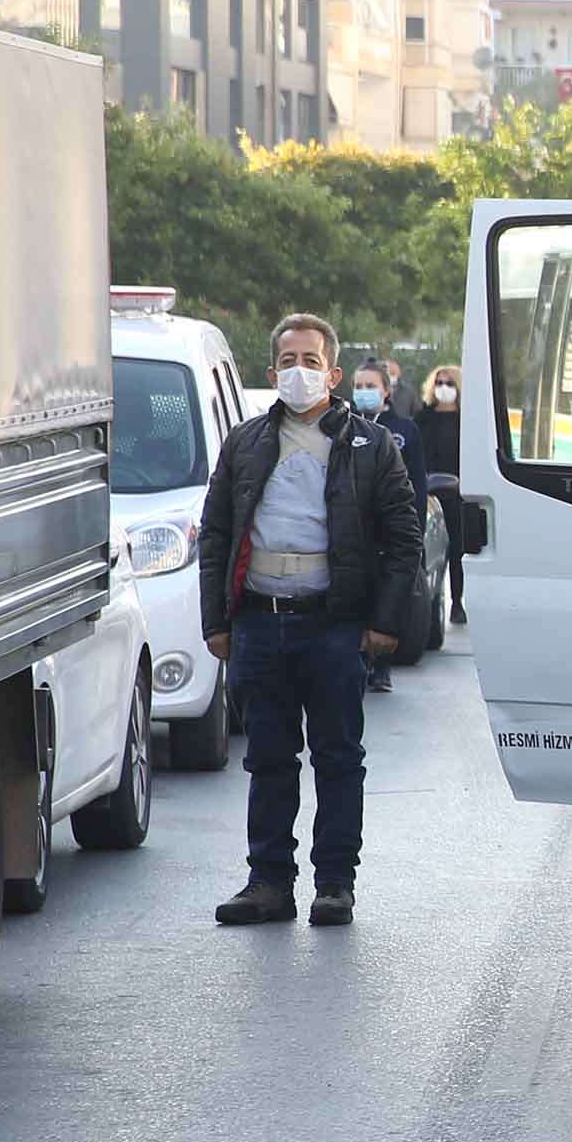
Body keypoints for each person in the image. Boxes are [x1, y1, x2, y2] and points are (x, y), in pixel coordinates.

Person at [198, 313, 421, 928]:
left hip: (332, 625)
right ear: (271, 373)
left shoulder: (370, 447)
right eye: (289, 361)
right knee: (268, 758)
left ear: (335, 372)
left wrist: (383, 624)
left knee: (338, 758)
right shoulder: (244, 443)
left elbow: (404, 539)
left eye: (311, 361)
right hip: (259, 627)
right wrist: (217, 621)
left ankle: (334, 884)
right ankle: (268, 882)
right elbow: (216, 534)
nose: (299, 372)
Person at [350, 360, 427, 694]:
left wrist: (415, 528)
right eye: (359, 386)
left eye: (371, 386)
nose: (364, 392)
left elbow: (418, 483)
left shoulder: (405, 430)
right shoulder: (343, 426)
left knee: (386, 594)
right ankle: (355, 662)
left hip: (389, 526)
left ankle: (381, 666)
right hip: (353, 526)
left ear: (386, 390)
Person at [416, 363, 466, 626]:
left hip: (459, 492)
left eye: (449, 383)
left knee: (459, 550)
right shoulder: (422, 418)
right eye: (439, 383)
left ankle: (458, 603)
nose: (443, 388)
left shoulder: (467, 420)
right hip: (430, 492)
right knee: (432, 550)